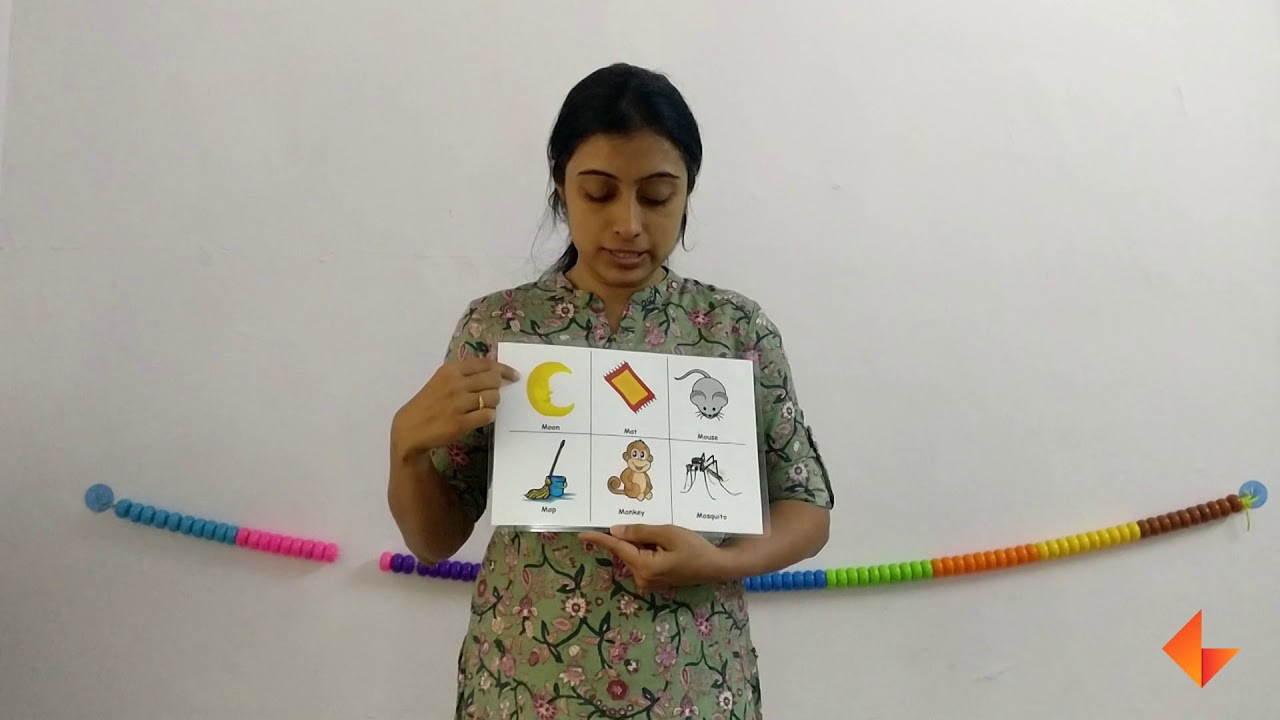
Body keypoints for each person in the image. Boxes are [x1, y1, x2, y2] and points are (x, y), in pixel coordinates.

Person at [388, 62, 834, 719]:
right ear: (561, 188)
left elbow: (806, 508)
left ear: (688, 193)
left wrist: (715, 563)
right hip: (526, 684)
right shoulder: (500, 328)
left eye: (657, 196)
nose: (627, 223)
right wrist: (406, 448)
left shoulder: (734, 329)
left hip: (694, 684)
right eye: (598, 193)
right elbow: (435, 539)